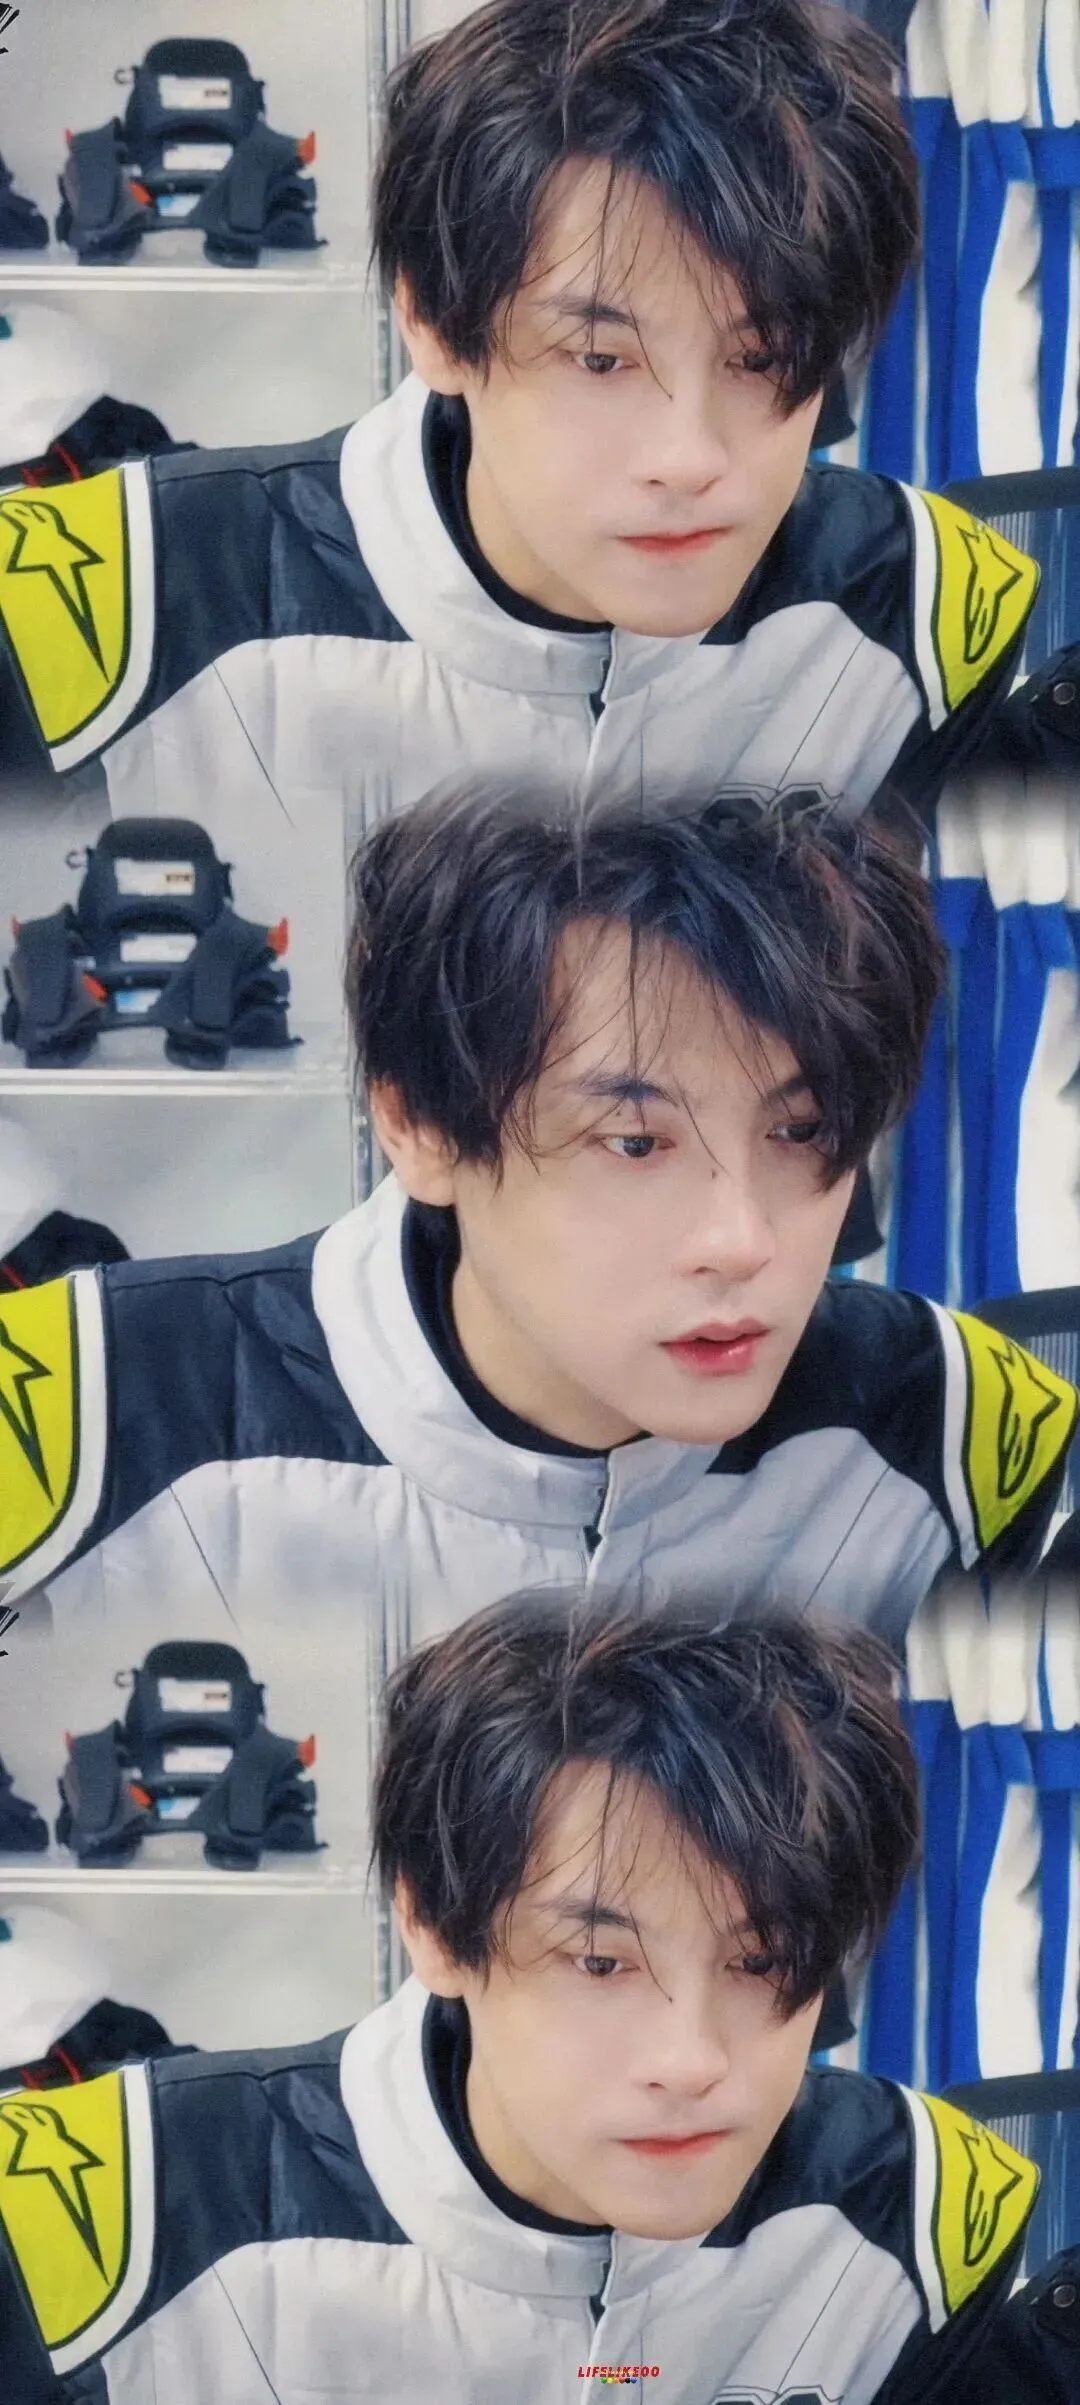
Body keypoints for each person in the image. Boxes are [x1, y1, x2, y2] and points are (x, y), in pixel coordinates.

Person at [0, 0, 1076, 895]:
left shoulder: (928, 604)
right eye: (600, 360)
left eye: (761, 357)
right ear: (431, 320)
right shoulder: (101, 596)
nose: (689, 455)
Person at [1, 787, 1074, 1642]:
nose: (743, 1241)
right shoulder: (82, 1408)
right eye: (636, 1143)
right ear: (417, 1125)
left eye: (798, 1131)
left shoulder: (959, 1424)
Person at [0, 1588, 1050, 2403]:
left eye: (763, 1957)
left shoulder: (923, 2208)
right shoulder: (98, 2214)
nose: (691, 2059)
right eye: (599, 1961)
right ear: (429, 1922)